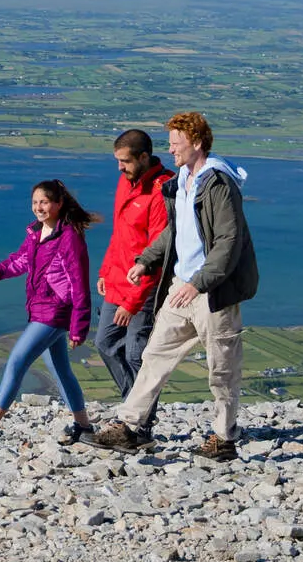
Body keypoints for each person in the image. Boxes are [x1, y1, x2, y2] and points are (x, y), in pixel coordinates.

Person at [87, 112, 259, 461]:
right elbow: (175, 232)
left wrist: (197, 284)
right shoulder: (183, 180)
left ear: (196, 143)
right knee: (154, 356)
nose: (171, 150)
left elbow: (229, 241)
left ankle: (224, 438)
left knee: (221, 369)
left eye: (176, 144)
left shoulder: (218, 185)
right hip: (182, 286)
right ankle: (130, 427)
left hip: (212, 293)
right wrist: (145, 260)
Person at [0, 179, 95, 448]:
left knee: (17, 361)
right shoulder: (36, 233)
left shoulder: (69, 237)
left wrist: (79, 325)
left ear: (58, 204)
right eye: (35, 202)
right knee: (60, 370)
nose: (38, 207)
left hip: (55, 311)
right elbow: (19, 261)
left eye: (44, 202)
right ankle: (83, 426)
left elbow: (80, 283)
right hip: (40, 308)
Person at [94, 129, 172, 428]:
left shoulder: (160, 190)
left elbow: (157, 253)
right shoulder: (126, 182)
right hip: (118, 280)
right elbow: (121, 234)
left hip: (143, 289)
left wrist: (133, 302)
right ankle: (135, 409)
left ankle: (138, 422)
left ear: (143, 157)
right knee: (105, 343)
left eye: (125, 161)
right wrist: (105, 270)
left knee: (138, 354)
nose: (119, 167)